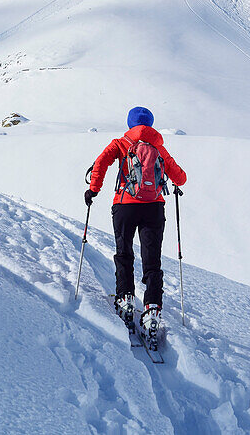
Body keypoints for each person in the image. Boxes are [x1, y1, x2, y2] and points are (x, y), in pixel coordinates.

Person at [85, 106, 186, 338]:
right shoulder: (158, 146)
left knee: (124, 252)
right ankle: (152, 308)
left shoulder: (120, 143)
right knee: (152, 260)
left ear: (130, 123)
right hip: (154, 208)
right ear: (150, 123)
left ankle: (125, 298)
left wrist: (93, 190)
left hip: (125, 206)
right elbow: (181, 177)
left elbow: (100, 163)